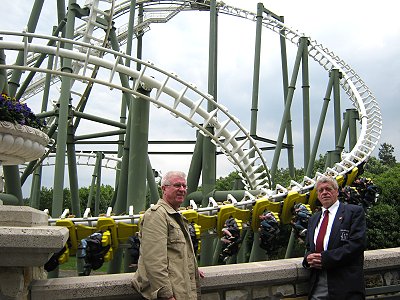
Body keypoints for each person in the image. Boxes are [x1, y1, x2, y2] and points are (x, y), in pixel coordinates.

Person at [132, 171, 204, 300]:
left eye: (184, 186)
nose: (182, 189)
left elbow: (176, 252)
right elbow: (154, 261)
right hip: (172, 294)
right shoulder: (156, 215)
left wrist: (191, 268)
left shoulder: (176, 216)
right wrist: (166, 295)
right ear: (164, 188)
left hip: (182, 289)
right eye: (177, 185)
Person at [303, 175, 366, 300]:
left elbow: (357, 245)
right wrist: (307, 259)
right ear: (317, 195)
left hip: (345, 286)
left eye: (328, 189)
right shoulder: (313, 219)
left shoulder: (353, 212)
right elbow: (309, 247)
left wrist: (325, 259)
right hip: (318, 285)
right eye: (321, 190)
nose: (324, 193)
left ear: (336, 191)